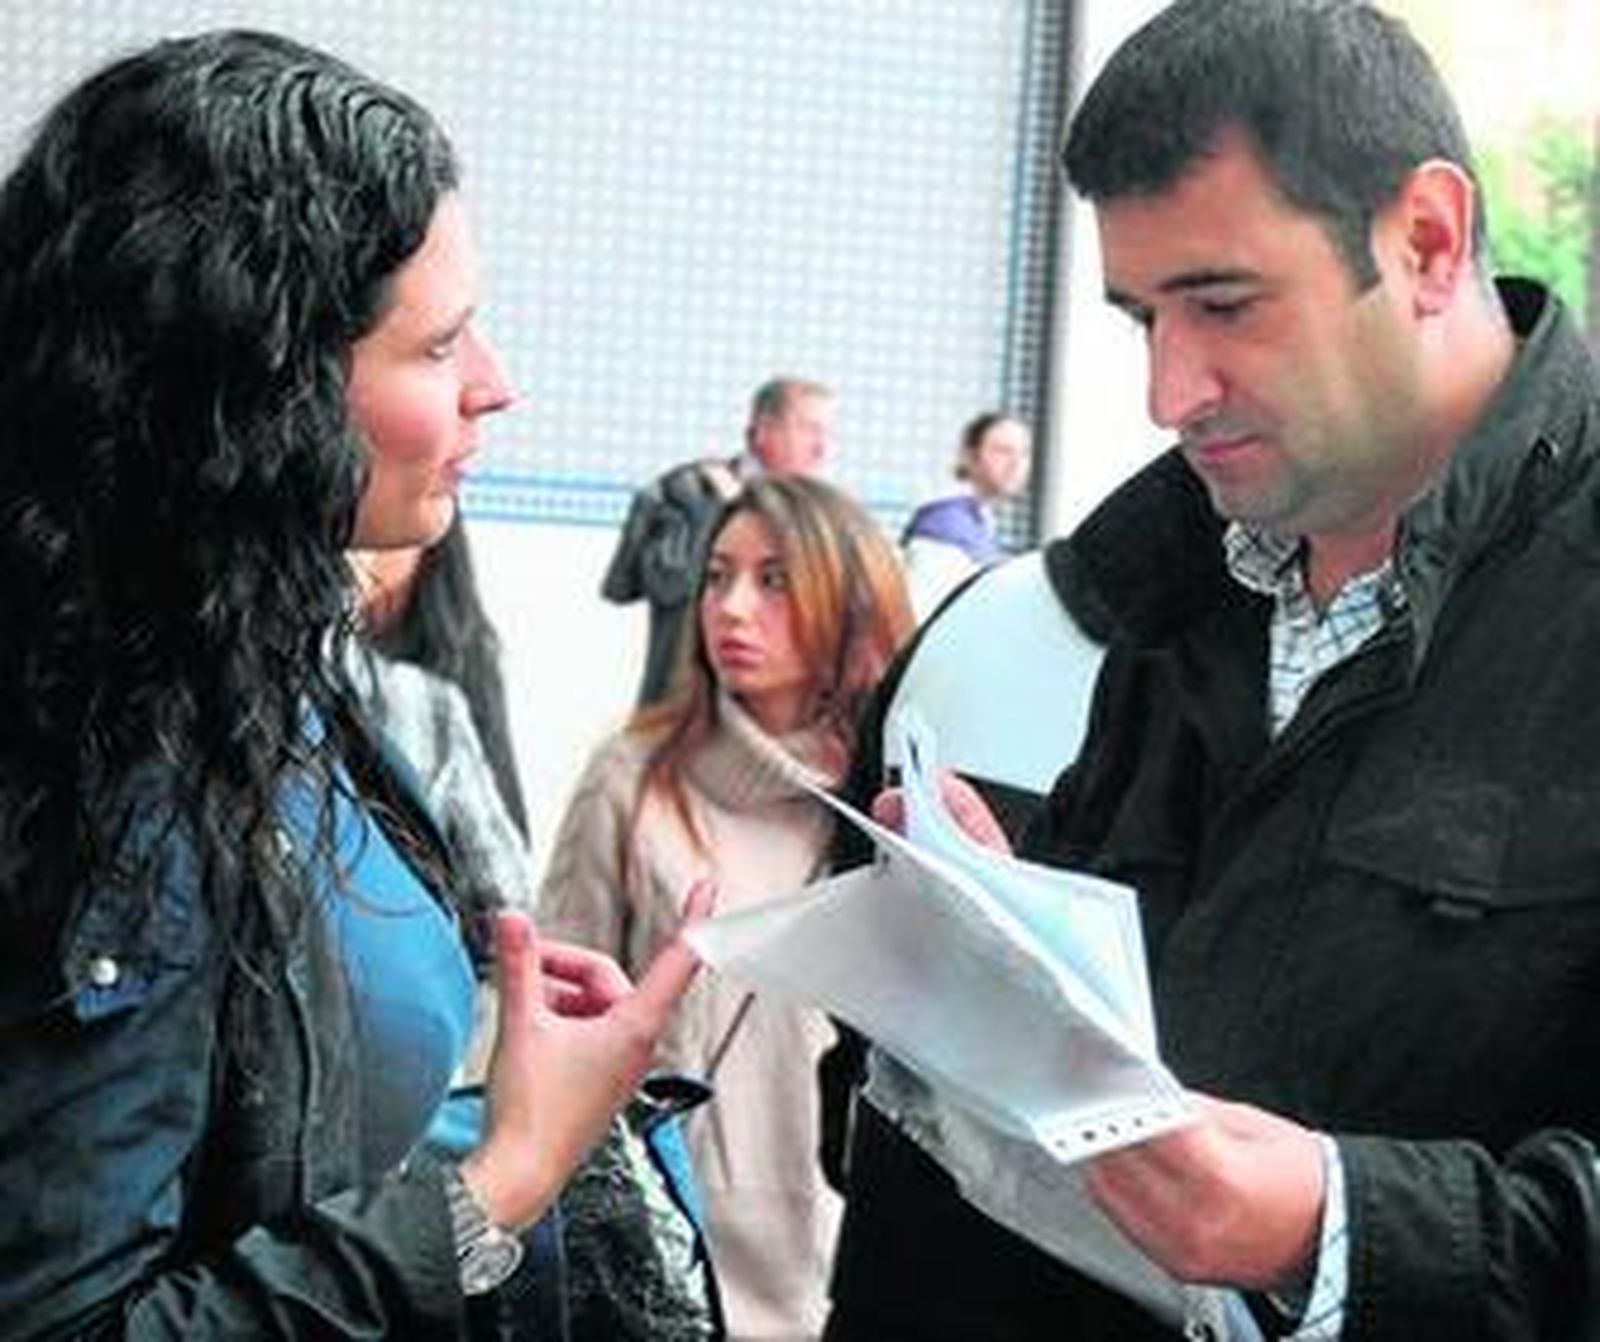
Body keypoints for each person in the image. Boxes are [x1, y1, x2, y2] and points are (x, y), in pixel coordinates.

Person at [822, 2, 1600, 1341]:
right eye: (1141, 318)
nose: (1169, 391)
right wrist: (995, 944)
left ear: (1426, 240)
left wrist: (1338, 1224)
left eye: (1224, 305)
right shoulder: (1170, 589)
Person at [0, 30, 707, 1340]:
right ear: (260, 391)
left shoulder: (259, 668)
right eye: (438, 347)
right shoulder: (117, 758)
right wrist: (493, 1188)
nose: (496, 385)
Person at [542, 475, 915, 1341]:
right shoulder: (632, 779)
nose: (732, 607)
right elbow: (552, 1017)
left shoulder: (900, 803)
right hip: (661, 1262)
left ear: (849, 597)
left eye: (774, 579)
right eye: (717, 577)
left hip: (846, 1270)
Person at [602, 376, 838, 706]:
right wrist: (719, 515)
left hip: (778, 718)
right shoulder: (687, 493)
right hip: (684, 712)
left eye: (827, 434)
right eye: (810, 429)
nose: (822, 449)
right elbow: (627, 587)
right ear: (760, 432)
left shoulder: (820, 516)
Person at [900, 411, 1034, 617]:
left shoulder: (980, 522)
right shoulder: (945, 524)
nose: (1016, 464)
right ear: (970, 457)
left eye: (1024, 453)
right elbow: (921, 615)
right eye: (1003, 451)